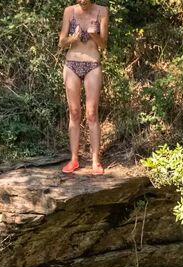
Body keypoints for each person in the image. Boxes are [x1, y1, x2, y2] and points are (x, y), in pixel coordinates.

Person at [57, 0, 109, 175]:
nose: (82, 1)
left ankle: (95, 161)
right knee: (74, 112)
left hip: (92, 64)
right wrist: (72, 38)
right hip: (71, 64)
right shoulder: (69, 11)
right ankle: (74, 159)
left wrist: (94, 35)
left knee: (92, 113)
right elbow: (61, 42)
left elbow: (103, 44)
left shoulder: (102, 11)